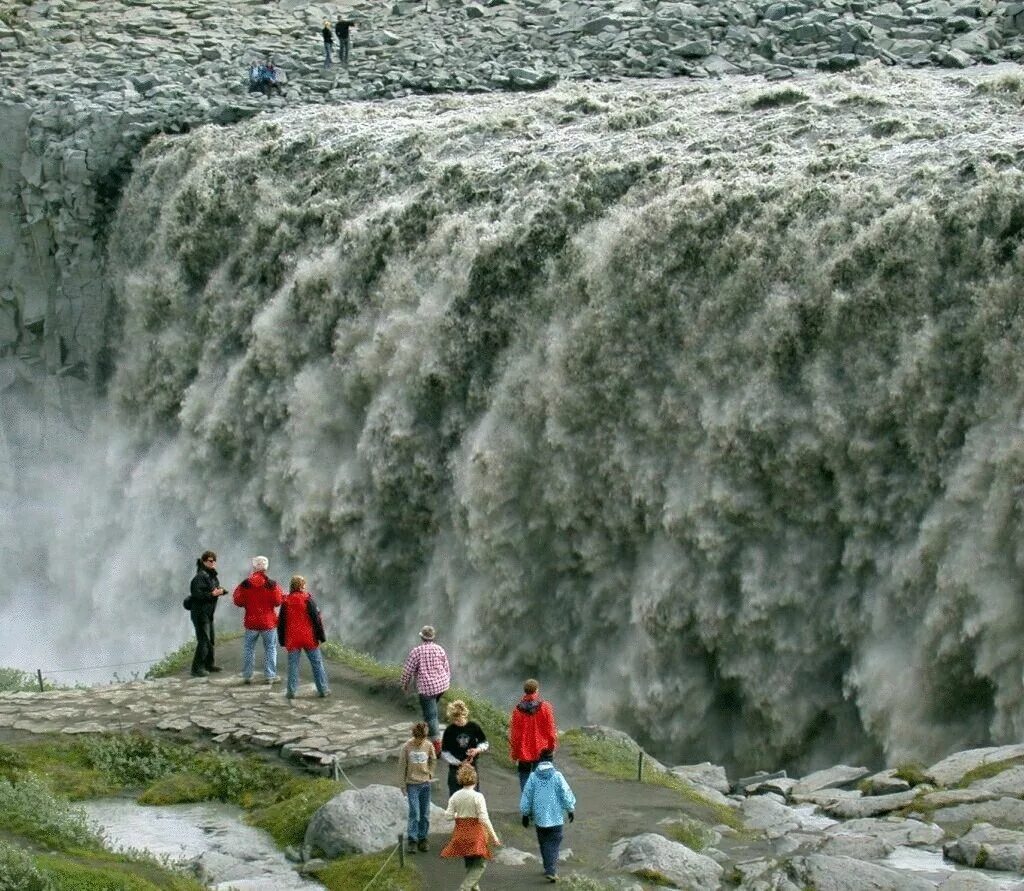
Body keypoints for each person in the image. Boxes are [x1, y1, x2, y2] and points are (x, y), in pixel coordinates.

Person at [441, 764, 501, 891]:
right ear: (475, 779)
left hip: (461, 832)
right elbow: (484, 818)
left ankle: (474, 888)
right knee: (480, 864)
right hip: (476, 833)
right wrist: (494, 836)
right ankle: (465, 888)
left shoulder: (455, 796)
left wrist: (458, 814)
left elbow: (448, 816)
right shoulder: (478, 797)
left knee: (469, 862)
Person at [520, 749, 576, 883]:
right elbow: (566, 793)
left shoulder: (533, 777)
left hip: (539, 818)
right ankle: (551, 870)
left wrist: (525, 814)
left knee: (544, 842)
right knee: (554, 843)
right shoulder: (557, 776)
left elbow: (526, 796)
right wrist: (570, 809)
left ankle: (548, 867)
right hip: (556, 817)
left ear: (539, 759)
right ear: (552, 760)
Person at [232, 556, 284, 684]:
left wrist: (248, 603)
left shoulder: (245, 584)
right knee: (270, 649)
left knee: (249, 649)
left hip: (251, 622)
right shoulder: (272, 584)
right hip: (268, 622)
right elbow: (278, 602)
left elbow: (237, 601)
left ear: (254, 567)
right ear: (266, 568)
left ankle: (248, 676)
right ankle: (270, 676)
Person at [400, 625, 450, 754]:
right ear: (433, 637)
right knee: (431, 710)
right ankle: (427, 730)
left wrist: (405, 684)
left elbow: (407, 671)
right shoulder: (440, 649)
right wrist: (447, 682)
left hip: (427, 688)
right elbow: (446, 667)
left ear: (422, 637)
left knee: (431, 716)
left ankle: (437, 746)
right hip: (442, 685)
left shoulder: (416, 652)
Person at [277, 575, 329, 700]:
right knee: (317, 663)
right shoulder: (308, 600)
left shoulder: (285, 602)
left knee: (293, 666)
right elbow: (317, 620)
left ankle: (291, 691)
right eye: (304, 585)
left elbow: (281, 623)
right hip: (308, 638)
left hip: (292, 639)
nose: (305, 587)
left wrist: (282, 640)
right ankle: (322, 689)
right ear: (301, 586)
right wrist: (321, 637)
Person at [509, 678, 557, 791]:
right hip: (542, 749)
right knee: (542, 779)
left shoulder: (517, 710)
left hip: (523, 750)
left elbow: (515, 735)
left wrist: (515, 754)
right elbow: (550, 729)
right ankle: (539, 804)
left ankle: (526, 804)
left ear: (525, 691)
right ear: (536, 690)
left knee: (524, 776)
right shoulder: (545, 707)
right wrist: (552, 746)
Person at [187, 550, 227, 678]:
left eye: (214, 561)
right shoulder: (199, 577)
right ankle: (197, 668)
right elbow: (197, 595)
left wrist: (221, 590)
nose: (213, 563)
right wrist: (212, 594)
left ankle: (209, 664)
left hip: (208, 613)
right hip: (200, 613)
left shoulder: (211, 576)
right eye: (210, 561)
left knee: (211, 640)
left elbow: (214, 587)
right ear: (204, 561)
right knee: (203, 640)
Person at [400, 721, 436, 854]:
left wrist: (431, 773)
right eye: (419, 738)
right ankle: (412, 839)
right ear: (415, 735)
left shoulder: (428, 745)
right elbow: (402, 766)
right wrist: (402, 784)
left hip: (425, 783)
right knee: (414, 812)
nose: (422, 741)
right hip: (412, 784)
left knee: (425, 812)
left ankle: (423, 838)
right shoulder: (407, 747)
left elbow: (433, 759)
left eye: (424, 737)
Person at [441, 699, 489, 798]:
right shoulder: (449, 730)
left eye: (458, 719)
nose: (456, 722)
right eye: (454, 720)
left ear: (464, 715)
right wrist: (458, 762)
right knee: (455, 796)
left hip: (471, 767)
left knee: (473, 795)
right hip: (455, 769)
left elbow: (484, 742)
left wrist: (477, 750)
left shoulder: (473, 727)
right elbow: (445, 752)